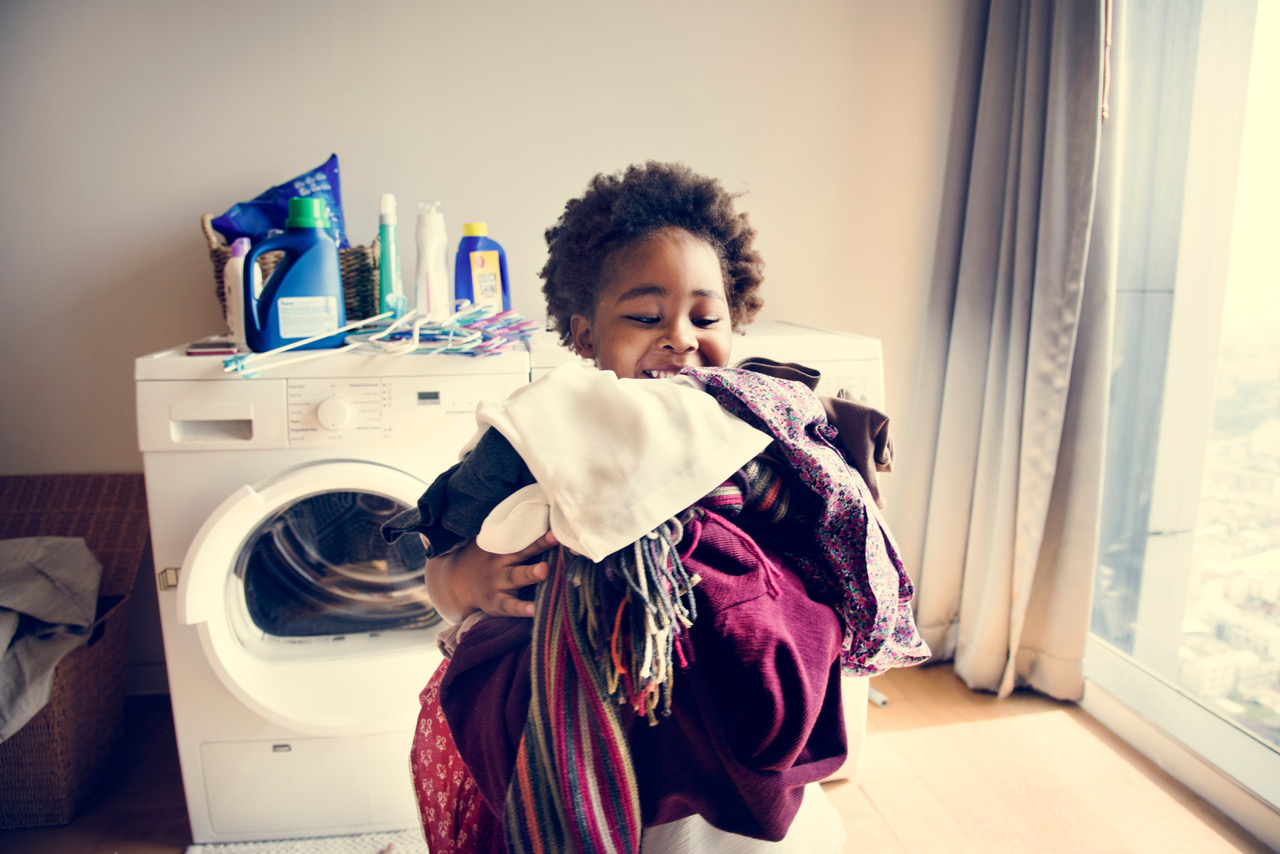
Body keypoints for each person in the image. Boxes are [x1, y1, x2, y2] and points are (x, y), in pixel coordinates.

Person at [383, 161, 927, 853]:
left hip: (735, 716)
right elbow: (441, 556)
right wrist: (470, 579)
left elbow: (829, 532)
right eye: (645, 317)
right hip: (587, 709)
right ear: (584, 337)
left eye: (706, 317)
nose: (680, 337)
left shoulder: (752, 424)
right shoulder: (546, 427)